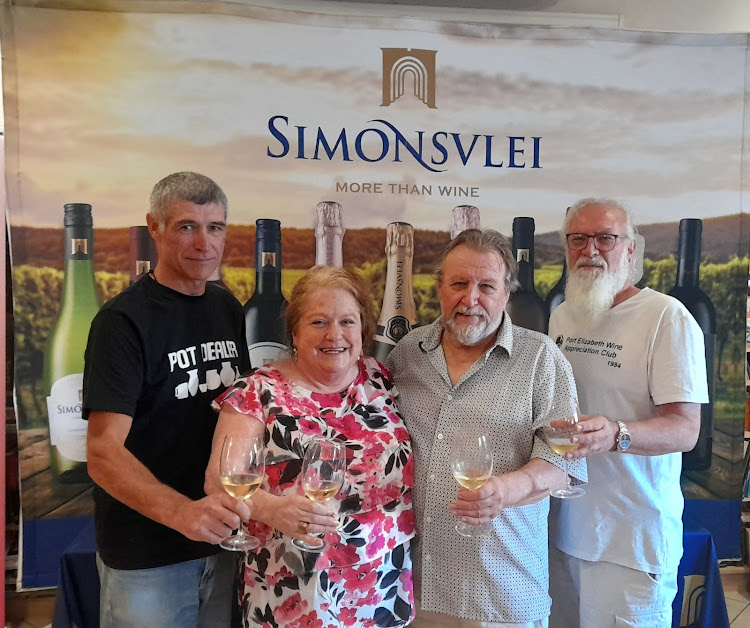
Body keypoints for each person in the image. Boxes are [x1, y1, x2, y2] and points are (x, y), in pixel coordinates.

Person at [386, 229, 585, 628]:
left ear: (506, 294)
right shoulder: (407, 353)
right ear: (440, 288)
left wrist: (503, 491)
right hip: (410, 590)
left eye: (486, 286)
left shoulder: (541, 360)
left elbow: (561, 462)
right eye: (458, 283)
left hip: (500, 593)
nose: (471, 299)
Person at [83, 172, 251, 627]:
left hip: (221, 544)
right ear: (154, 228)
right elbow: (102, 452)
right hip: (148, 556)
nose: (203, 243)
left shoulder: (226, 309)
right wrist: (182, 514)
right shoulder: (123, 322)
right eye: (186, 226)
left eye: (215, 227)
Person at [206, 265, 416, 628]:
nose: (335, 334)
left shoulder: (380, 377)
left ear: (363, 330)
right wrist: (272, 509)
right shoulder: (257, 391)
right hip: (293, 585)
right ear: (295, 332)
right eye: (318, 322)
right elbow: (218, 481)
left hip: (382, 580)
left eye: (347, 322)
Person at [548, 198, 707, 627]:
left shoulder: (666, 318)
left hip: (631, 543)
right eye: (578, 238)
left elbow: (686, 430)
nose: (591, 250)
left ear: (631, 249)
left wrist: (616, 433)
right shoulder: (563, 316)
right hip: (562, 532)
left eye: (606, 238)